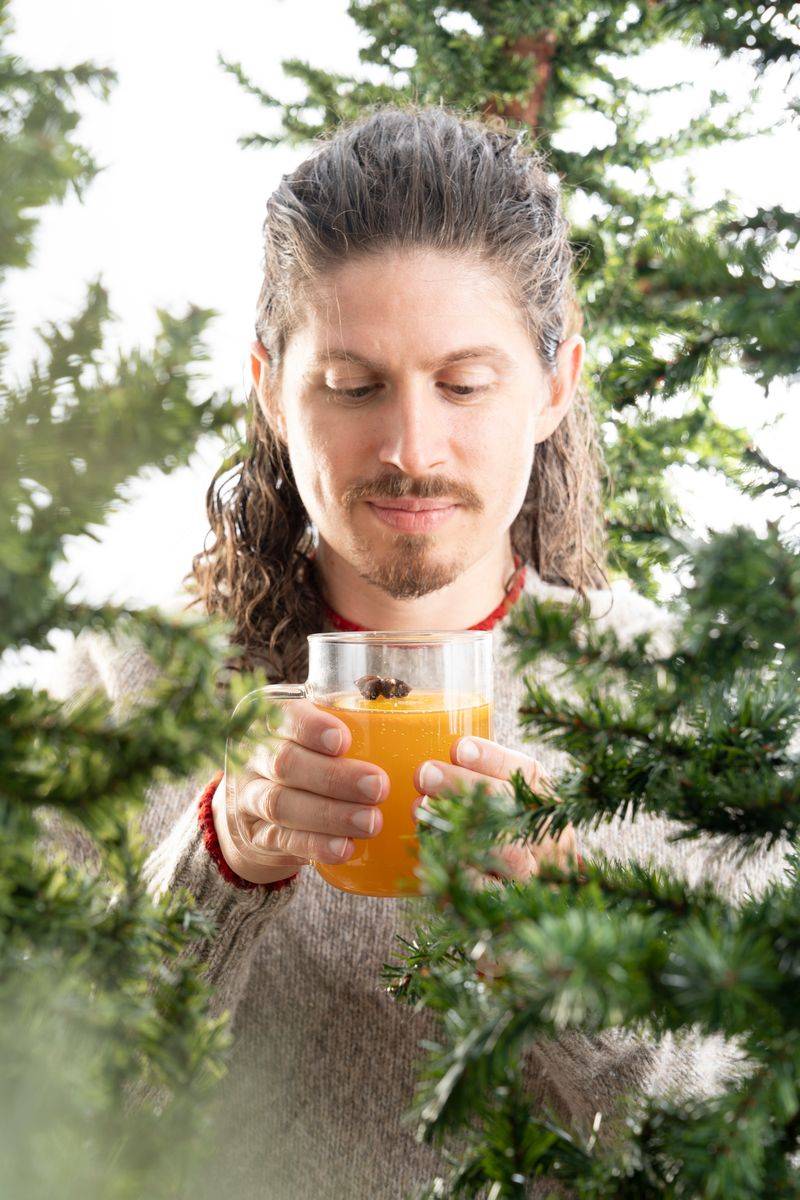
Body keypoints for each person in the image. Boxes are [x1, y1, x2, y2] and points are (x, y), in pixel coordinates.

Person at [51, 104, 789, 1200]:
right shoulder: (123, 691)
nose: (409, 447)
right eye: (354, 386)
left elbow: (749, 1159)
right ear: (271, 387)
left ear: (554, 385)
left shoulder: (686, 711)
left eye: (464, 384)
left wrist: (581, 971)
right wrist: (217, 863)